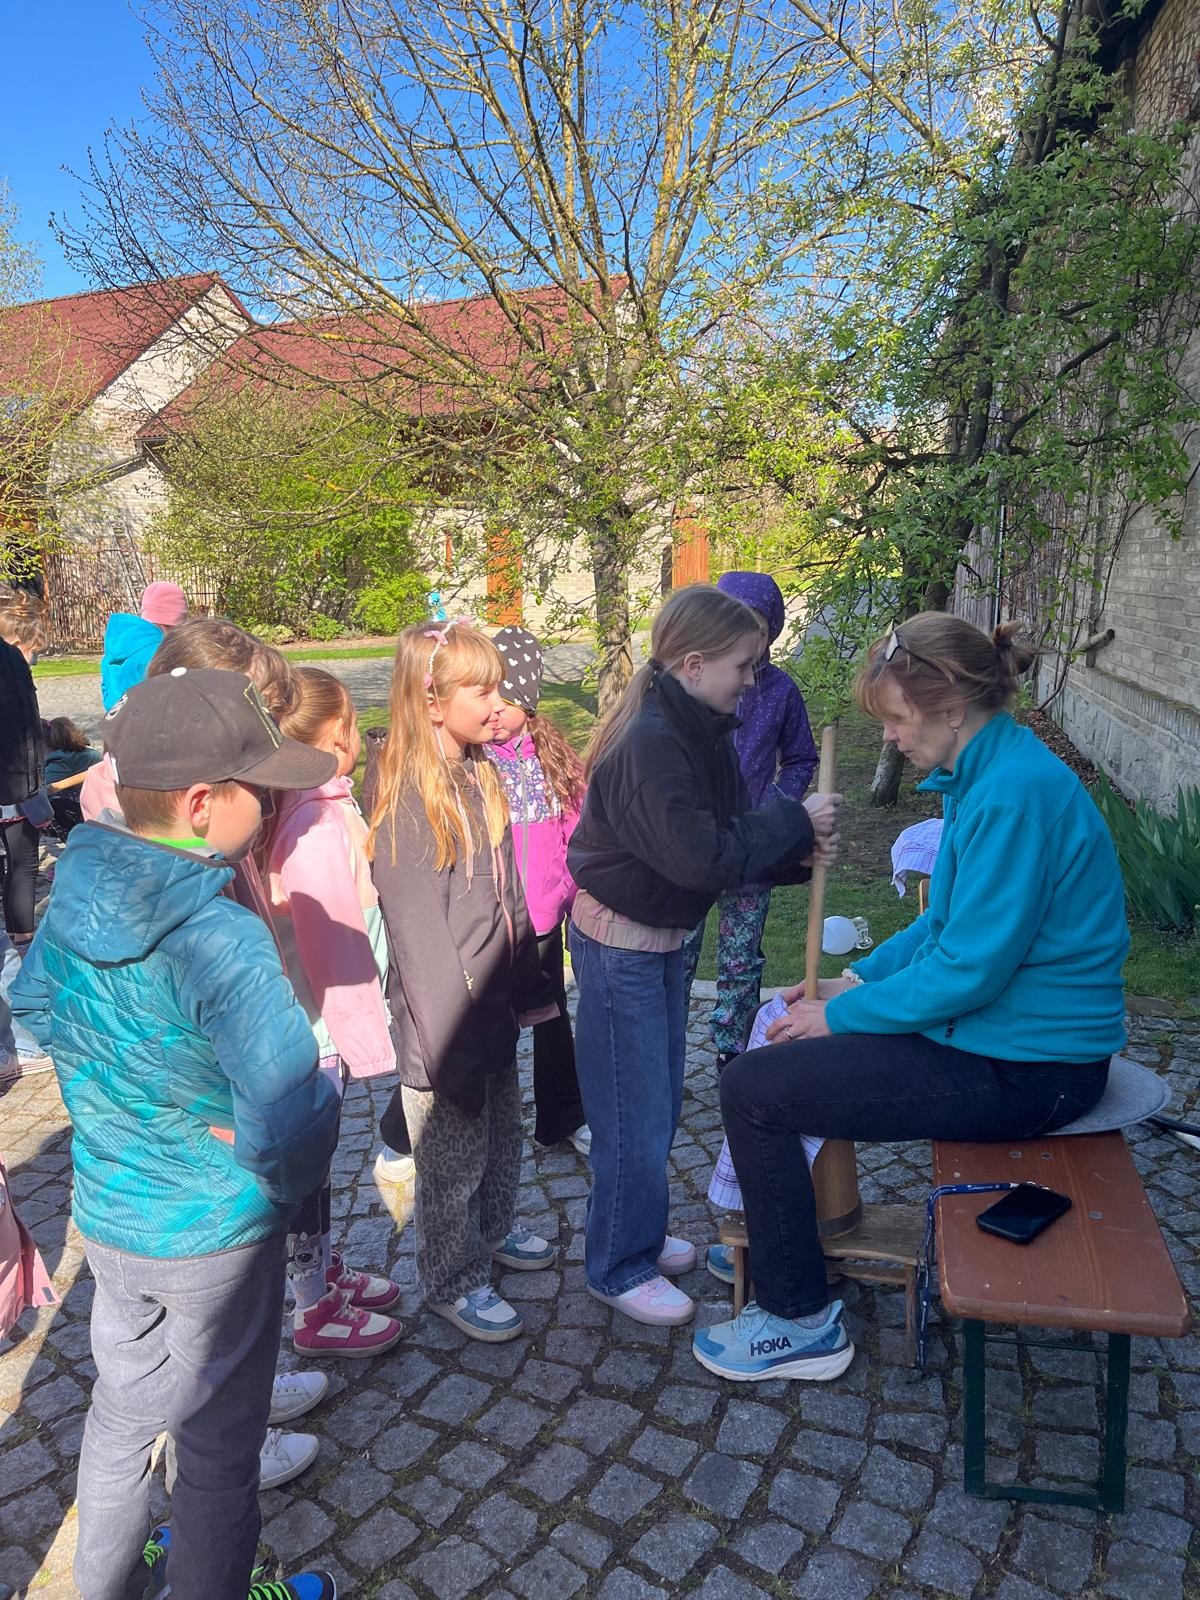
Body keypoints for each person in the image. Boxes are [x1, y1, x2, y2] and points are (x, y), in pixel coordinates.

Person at [694, 614, 1129, 1384]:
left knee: (754, 1091)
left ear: (951, 707)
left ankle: (797, 1321)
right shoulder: (987, 775)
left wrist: (839, 1016)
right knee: (772, 1069)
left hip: (1034, 1068)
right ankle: (797, 1254)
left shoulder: (1012, 795)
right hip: (1002, 1040)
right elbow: (943, 926)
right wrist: (856, 981)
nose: (890, 738)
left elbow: (970, 971)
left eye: (896, 719)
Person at [10, 667, 341, 1600]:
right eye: (259, 788)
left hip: (115, 1218)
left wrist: (129, 1087)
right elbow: (288, 1114)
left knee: (120, 1419)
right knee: (218, 1451)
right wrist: (264, 1160)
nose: (270, 804)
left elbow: (34, 1006)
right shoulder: (221, 938)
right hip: (215, 1234)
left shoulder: (77, 888)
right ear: (201, 804)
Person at [80, 618, 332, 1475]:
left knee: (221, 1316)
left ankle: (247, 1397)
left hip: (164, 1149)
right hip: (192, 1150)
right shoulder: (138, 821)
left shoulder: (197, 817)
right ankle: (226, 1439)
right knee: (204, 1330)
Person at [567, 584, 839, 1328]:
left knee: (655, 1101)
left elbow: (727, 836)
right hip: (620, 945)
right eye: (743, 666)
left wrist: (795, 853)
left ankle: (637, 1235)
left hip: (656, 936)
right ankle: (616, 1264)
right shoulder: (652, 743)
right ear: (694, 665)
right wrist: (793, 820)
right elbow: (698, 856)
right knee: (631, 1112)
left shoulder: (701, 726)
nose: (753, 679)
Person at [367, 622, 559, 1342]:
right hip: (445, 1028)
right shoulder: (407, 802)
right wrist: (455, 1049)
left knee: (503, 1136)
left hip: (493, 1006)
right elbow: (420, 942)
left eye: (497, 687)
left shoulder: (481, 773)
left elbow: (509, 892)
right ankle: (452, 1277)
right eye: (481, 690)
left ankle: (496, 1230)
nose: (497, 702)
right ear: (431, 702)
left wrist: (527, 983)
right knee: (451, 1163)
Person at [261, 668, 405, 1357]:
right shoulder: (314, 822)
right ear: (334, 735)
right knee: (309, 1170)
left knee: (315, 1168)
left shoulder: (316, 806)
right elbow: (332, 946)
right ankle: (312, 1303)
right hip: (316, 1030)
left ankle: (316, 1269)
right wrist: (368, 1042)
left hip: (314, 1025)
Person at [681, 571, 817, 1067]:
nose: (746, 638)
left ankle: (731, 1047)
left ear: (771, 631)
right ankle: (667, 1036)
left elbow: (801, 757)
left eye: (756, 628)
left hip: (754, 849)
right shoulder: (698, 684)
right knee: (680, 948)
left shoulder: (781, 692)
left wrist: (777, 807)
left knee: (741, 956)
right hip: (697, 845)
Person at [486, 626, 589, 1153]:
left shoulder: (555, 759)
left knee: (553, 1022)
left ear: (526, 702)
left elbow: (579, 831)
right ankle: (481, 1121)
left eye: (504, 701)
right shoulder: (473, 762)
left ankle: (561, 1119)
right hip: (491, 922)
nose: (494, 712)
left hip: (545, 920)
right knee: (490, 1026)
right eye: (487, 697)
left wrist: (565, 889)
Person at [0, 588, 54, 1077]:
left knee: (21, 870)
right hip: (13, 788)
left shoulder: (13, 665)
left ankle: (21, 947)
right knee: (21, 869)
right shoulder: (11, 665)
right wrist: (32, 794)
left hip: (16, 787)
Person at [99, 580, 188, 711]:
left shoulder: (117, 646)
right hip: (149, 721)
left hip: (118, 721)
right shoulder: (161, 653)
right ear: (173, 621)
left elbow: (107, 691)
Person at [43, 718, 102, 838]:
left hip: (91, 810)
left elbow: (43, 789)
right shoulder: (84, 753)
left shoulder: (61, 760)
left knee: (43, 803)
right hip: (101, 803)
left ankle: (73, 837)